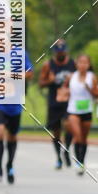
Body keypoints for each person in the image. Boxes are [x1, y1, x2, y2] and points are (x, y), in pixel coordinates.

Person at [0, 49, 33, 184]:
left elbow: (29, 73)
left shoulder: (20, 53)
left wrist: (12, 75)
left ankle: (9, 165)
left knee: (12, 136)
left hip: (15, 103)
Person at [38, 40, 76, 169]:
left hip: (68, 101)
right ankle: (58, 157)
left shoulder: (73, 64)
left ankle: (66, 150)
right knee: (57, 132)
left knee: (69, 125)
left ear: (66, 51)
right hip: (54, 101)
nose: (61, 53)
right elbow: (41, 83)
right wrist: (49, 80)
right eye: (58, 51)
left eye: (63, 51)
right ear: (55, 52)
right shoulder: (48, 65)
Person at [63, 54, 98, 176]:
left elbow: (96, 94)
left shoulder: (92, 77)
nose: (83, 65)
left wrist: (89, 89)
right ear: (76, 64)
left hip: (87, 110)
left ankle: (82, 161)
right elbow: (63, 89)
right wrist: (64, 93)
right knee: (77, 136)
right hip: (73, 110)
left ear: (88, 65)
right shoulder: (71, 76)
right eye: (80, 62)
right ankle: (78, 162)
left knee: (83, 138)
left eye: (85, 62)